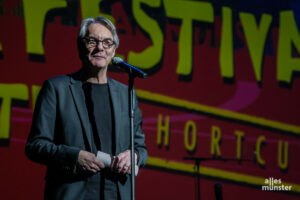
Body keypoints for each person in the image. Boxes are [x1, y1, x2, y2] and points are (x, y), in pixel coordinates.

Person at [25, 16, 148, 200]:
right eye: (92, 41)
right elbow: (35, 146)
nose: (100, 48)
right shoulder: (57, 89)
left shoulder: (126, 94)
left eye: (107, 43)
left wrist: (135, 156)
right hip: (74, 194)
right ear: (80, 47)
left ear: (114, 51)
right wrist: (74, 157)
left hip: (117, 194)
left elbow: (140, 148)